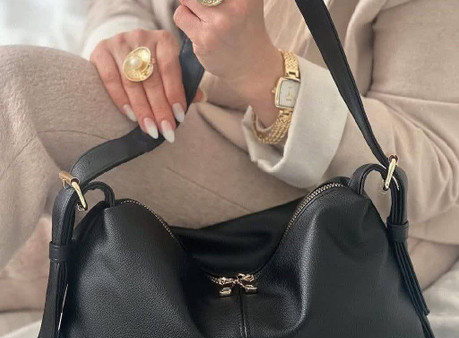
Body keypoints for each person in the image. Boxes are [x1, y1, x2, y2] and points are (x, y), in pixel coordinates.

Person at [0, 0, 458, 315]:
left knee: (18, 89)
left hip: (330, 207)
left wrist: (264, 74)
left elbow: (434, 170)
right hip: (184, 135)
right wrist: (125, 44)